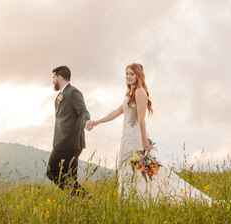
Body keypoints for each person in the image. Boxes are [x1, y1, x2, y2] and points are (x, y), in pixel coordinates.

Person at [86, 62, 212, 204]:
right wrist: (97, 122)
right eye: (126, 74)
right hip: (126, 137)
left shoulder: (140, 92)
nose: (128, 76)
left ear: (138, 75)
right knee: (127, 169)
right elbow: (116, 112)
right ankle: (130, 200)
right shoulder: (130, 93)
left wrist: (144, 140)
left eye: (131, 74)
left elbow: (141, 119)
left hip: (136, 137)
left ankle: (140, 200)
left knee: (139, 170)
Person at [48, 65, 91, 194]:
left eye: (54, 77)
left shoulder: (73, 92)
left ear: (60, 78)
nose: (53, 81)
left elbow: (83, 111)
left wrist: (86, 122)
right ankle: (80, 201)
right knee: (71, 178)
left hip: (68, 142)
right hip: (65, 141)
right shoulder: (60, 95)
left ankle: (83, 195)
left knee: (52, 171)